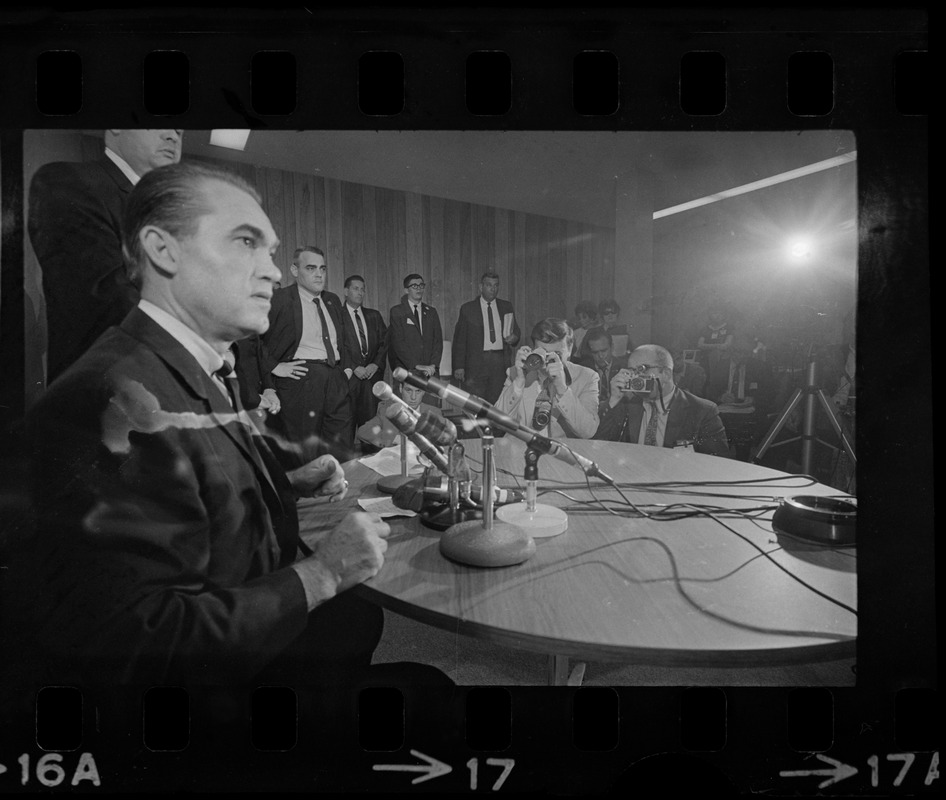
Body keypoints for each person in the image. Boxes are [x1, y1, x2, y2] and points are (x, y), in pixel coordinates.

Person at [1, 162, 449, 689]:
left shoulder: (198, 366)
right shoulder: (107, 398)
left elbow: (187, 490)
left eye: (271, 251)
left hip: (240, 611)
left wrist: (284, 483)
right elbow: (141, 649)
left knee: (358, 619)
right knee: (429, 687)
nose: (273, 272)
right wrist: (321, 574)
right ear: (163, 251)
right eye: (245, 243)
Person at [28, 129, 183, 383]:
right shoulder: (68, 180)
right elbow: (109, 301)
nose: (173, 136)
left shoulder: (171, 214)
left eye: (180, 129)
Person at [260, 246, 355, 465]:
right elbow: (254, 340)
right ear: (294, 270)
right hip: (301, 379)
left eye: (322, 268)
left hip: (335, 378)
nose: (319, 274)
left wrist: (346, 370)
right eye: (311, 268)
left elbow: (343, 340)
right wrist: (274, 366)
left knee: (340, 444)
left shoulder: (331, 301)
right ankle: (305, 496)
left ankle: (339, 492)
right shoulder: (280, 299)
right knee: (304, 449)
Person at [594, 344, 730, 457]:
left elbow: (718, 464)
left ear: (666, 374)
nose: (636, 377)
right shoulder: (626, 405)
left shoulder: (702, 411)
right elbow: (597, 447)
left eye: (642, 369)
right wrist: (614, 400)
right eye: (631, 371)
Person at [494, 317, 599, 439]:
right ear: (534, 349)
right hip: (520, 451)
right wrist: (519, 381)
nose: (549, 360)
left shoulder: (587, 377)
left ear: (570, 350)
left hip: (560, 454)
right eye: (543, 352)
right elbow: (497, 423)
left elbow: (588, 431)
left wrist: (562, 388)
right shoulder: (515, 373)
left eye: (557, 354)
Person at [451, 271, 521, 404]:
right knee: (476, 403)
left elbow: (516, 331)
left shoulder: (506, 306)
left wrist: (514, 337)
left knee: (499, 402)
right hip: (477, 363)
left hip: (499, 362)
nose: (493, 289)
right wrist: (459, 366)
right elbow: (460, 340)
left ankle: (494, 426)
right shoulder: (468, 309)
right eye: (489, 285)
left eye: (496, 285)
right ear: (480, 287)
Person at [341, 274, 389, 428]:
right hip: (348, 381)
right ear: (346, 291)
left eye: (363, 289)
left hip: (371, 379)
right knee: (346, 428)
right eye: (356, 289)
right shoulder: (336, 316)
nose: (360, 293)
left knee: (371, 427)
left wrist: (375, 364)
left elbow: (385, 343)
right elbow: (337, 346)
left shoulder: (373, 315)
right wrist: (354, 367)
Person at [387, 273, 443, 390]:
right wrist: (416, 366)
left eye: (421, 285)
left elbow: (438, 342)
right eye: (415, 286)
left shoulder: (431, 312)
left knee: (430, 407)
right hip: (408, 370)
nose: (419, 289)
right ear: (406, 290)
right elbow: (398, 344)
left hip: (430, 372)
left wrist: (433, 365)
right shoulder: (397, 312)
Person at [356, 382, 442, 453]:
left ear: (424, 392)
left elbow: (443, 446)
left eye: (418, 391)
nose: (413, 397)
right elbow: (363, 431)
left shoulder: (435, 413)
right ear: (401, 389)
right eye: (408, 390)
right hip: (395, 462)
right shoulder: (388, 411)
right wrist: (394, 439)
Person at [575, 328, 628, 419]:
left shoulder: (623, 368)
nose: (600, 356)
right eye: (595, 352)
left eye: (604, 351)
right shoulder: (582, 370)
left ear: (612, 347)